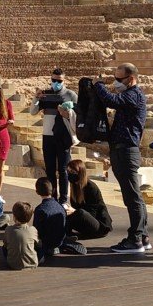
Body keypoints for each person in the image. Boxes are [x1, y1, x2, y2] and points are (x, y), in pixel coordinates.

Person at [93, 63, 149, 253]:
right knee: (134, 197)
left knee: (132, 197)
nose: (116, 83)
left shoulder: (134, 95)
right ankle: (142, 236)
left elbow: (111, 100)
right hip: (121, 150)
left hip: (126, 151)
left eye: (119, 79)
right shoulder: (130, 95)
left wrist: (98, 84)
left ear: (131, 79)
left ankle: (135, 239)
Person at [30, 68, 78, 204]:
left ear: (64, 80)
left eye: (59, 81)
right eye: (53, 80)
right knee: (50, 169)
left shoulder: (71, 95)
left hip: (63, 136)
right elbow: (33, 111)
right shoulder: (46, 94)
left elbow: (79, 114)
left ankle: (63, 200)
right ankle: (52, 198)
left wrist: (68, 114)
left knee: (63, 170)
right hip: (48, 135)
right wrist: (36, 98)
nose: (56, 83)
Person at [64, 159, 113, 241]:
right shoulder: (74, 187)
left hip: (100, 226)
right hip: (87, 224)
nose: (69, 175)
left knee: (80, 212)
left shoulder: (91, 187)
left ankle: (67, 235)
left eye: (72, 172)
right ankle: (64, 234)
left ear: (80, 173)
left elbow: (91, 213)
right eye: (68, 172)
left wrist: (74, 211)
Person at [33, 177, 67, 259]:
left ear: (37, 192)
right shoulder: (60, 206)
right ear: (53, 190)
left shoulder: (40, 209)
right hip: (60, 239)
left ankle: (48, 248)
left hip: (47, 241)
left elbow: (36, 229)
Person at [3, 201, 41, 270]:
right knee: (39, 247)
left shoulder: (8, 229)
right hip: (32, 263)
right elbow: (38, 245)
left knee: (4, 248)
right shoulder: (33, 229)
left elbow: (5, 245)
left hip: (12, 264)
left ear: (14, 217)